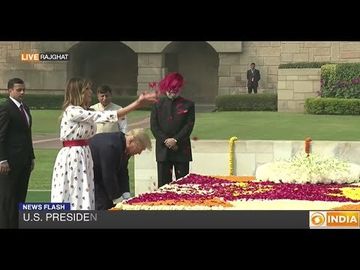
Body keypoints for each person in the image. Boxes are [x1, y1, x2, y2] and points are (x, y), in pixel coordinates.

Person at [51, 77, 157, 210]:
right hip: (73, 156)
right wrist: (137, 104)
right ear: (79, 92)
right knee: (74, 194)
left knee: (85, 193)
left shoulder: (87, 111)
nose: (91, 92)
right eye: (87, 89)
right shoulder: (73, 111)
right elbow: (104, 116)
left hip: (84, 154)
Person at [0, 78, 35, 228]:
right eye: (18, 90)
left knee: (20, 197)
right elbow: (0, 136)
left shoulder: (25, 108)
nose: (22, 92)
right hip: (9, 163)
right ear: (10, 91)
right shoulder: (5, 108)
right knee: (8, 198)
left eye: (23, 89)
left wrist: (31, 157)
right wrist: (2, 160)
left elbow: (28, 135)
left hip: (25, 161)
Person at [150, 72, 195, 188]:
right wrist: (166, 140)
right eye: (170, 89)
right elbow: (154, 126)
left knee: (183, 185)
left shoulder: (188, 104)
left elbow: (188, 126)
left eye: (175, 89)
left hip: (181, 149)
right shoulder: (157, 104)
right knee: (163, 186)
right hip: (163, 150)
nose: (172, 92)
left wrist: (175, 140)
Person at [89, 128, 151, 210]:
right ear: (132, 140)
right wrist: (117, 199)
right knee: (103, 204)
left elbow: (123, 172)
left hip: (101, 177)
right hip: (92, 178)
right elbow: (108, 176)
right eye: (141, 148)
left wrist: (126, 194)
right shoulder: (111, 146)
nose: (139, 153)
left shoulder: (125, 148)